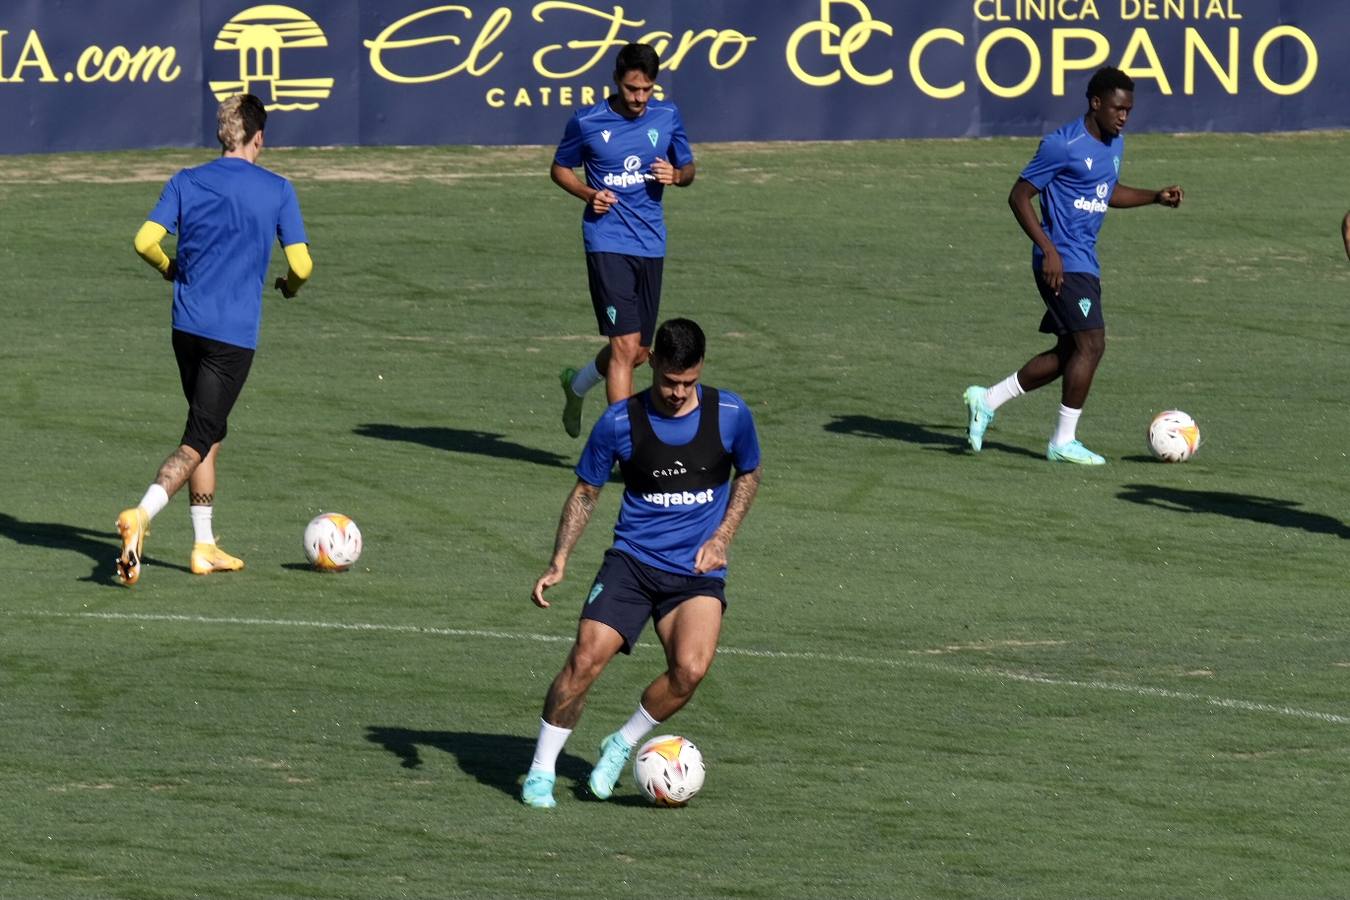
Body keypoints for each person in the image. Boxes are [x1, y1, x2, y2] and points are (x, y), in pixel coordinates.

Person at [521, 318, 761, 809]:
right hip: (632, 564)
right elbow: (586, 493)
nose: (677, 392)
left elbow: (749, 474)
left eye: (688, 382)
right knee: (584, 662)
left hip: (694, 574)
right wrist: (559, 560)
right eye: (670, 381)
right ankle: (541, 770)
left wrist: (722, 537)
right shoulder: (619, 422)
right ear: (652, 364)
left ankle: (622, 743)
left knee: (690, 671)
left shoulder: (730, 414)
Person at [115, 93, 312, 586]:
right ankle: (141, 514)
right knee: (198, 437)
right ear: (259, 138)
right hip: (231, 339)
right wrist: (290, 287)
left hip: (186, 329)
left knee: (210, 433)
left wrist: (170, 269)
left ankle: (204, 545)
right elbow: (303, 265)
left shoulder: (186, 181)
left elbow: (144, 241)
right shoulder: (277, 190)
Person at [962, 67, 1183, 465]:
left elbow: (1106, 190)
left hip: (1086, 260)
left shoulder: (1114, 144)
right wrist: (1047, 249)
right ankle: (1063, 442)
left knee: (1071, 352)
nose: (1123, 117)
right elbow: (1019, 196)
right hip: (1061, 261)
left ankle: (987, 399)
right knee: (1093, 344)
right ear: (1095, 103)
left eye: (1129, 110)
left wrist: (1155, 196)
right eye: (1117, 108)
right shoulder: (1062, 145)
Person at [551, 42, 696, 439]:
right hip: (606, 241)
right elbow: (560, 168)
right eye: (633, 89)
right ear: (617, 80)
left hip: (651, 243)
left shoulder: (667, 117)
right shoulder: (587, 121)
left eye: (647, 90)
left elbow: (688, 168)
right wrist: (588, 194)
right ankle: (625, 449)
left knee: (638, 354)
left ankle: (576, 384)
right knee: (623, 346)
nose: (639, 98)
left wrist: (677, 176)